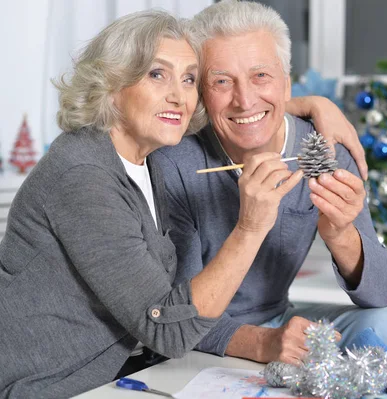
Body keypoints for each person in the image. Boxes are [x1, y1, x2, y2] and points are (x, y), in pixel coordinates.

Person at [0, 10, 364, 398]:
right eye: (157, 74)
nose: (179, 95)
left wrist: (308, 104)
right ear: (110, 83)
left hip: (127, 374)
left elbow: (240, 104)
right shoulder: (82, 175)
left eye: (189, 79)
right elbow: (169, 329)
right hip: (49, 385)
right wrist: (251, 226)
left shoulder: (147, 160)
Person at [152, 0, 387, 367]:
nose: (245, 101)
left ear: (287, 83)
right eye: (222, 81)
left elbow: (381, 292)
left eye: (261, 75)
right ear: (200, 90)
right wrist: (263, 343)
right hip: (201, 339)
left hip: (280, 318)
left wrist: (342, 235)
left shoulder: (322, 150)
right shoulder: (175, 163)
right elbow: (177, 314)